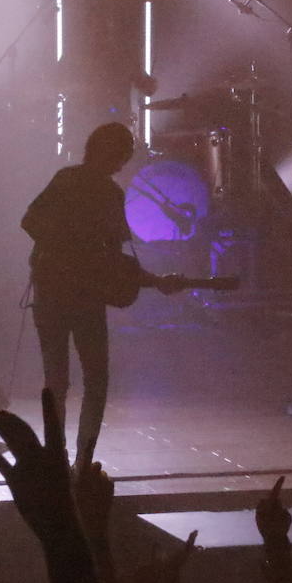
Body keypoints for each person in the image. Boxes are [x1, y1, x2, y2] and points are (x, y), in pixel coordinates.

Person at [22, 122, 175, 464]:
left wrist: (59, 249)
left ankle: (58, 456)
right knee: (92, 378)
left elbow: (30, 221)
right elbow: (112, 257)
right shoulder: (106, 193)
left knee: (58, 380)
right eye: (121, 156)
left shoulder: (71, 181)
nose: (121, 164)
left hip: (56, 293)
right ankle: (80, 458)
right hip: (81, 296)